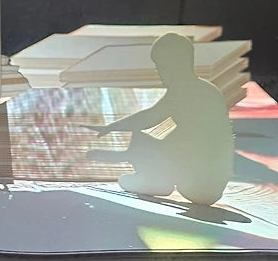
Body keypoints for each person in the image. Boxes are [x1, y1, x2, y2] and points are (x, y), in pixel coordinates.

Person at [87, 31, 233, 207]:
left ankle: (155, 180)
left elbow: (151, 117)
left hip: (200, 181)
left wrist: (115, 131)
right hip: (209, 179)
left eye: (162, 67)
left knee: (142, 139)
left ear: (179, 64)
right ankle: (154, 176)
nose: (160, 73)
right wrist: (112, 127)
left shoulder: (188, 91)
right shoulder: (201, 90)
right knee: (152, 139)